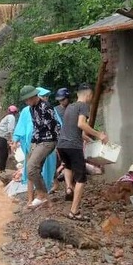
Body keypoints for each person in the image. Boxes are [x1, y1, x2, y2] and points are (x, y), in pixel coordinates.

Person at [58, 84, 108, 220]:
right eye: (92, 96)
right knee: (81, 179)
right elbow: (81, 124)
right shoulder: (84, 106)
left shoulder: (69, 107)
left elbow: (74, 130)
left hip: (62, 145)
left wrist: (90, 140)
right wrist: (99, 135)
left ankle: (69, 187)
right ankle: (74, 211)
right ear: (89, 95)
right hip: (74, 146)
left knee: (68, 166)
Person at [20, 85, 58, 210]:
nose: (26, 102)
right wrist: (33, 143)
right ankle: (46, 199)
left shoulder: (46, 107)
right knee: (33, 170)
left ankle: (41, 195)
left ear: (33, 96)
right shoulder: (32, 108)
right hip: (38, 141)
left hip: (48, 140)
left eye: (27, 99)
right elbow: (36, 127)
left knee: (31, 167)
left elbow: (52, 127)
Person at [53, 87, 71, 192]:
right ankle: (57, 183)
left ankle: (69, 185)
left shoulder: (73, 108)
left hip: (72, 138)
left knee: (69, 162)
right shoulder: (55, 110)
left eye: (63, 99)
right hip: (60, 139)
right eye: (59, 100)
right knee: (57, 161)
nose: (61, 102)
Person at [0, 105, 18, 173]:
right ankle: (1, 171)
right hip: (1, 137)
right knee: (3, 154)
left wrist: (8, 140)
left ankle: (0, 169)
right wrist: (12, 140)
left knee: (2, 153)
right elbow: (10, 129)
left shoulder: (7, 117)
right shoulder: (11, 117)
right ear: (15, 112)